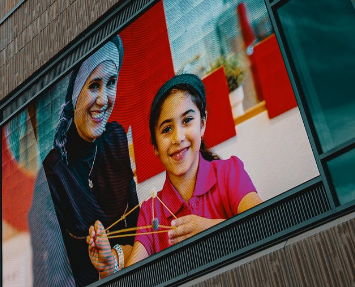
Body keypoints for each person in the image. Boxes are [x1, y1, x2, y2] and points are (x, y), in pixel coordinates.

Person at [87, 73, 261, 276]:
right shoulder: (150, 212)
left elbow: (263, 223)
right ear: (155, 148)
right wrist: (110, 267)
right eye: (167, 129)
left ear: (202, 124)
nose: (178, 137)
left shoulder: (230, 173)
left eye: (187, 120)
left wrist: (211, 230)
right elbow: (133, 279)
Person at [27, 36, 138, 287]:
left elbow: (136, 223)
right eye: (94, 86)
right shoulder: (52, 177)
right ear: (75, 92)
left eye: (111, 83)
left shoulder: (116, 138)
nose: (103, 99)